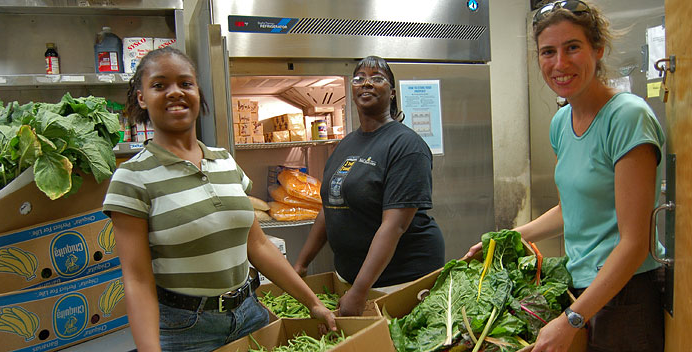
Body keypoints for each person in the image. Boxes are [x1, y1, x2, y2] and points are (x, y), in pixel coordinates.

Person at [102, 47, 336, 352]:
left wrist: (312, 302)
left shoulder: (225, 162)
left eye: (185, 84)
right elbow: (137, 280)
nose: (175, 92)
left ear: (198, 92)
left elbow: (258, 245)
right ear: (142, 97)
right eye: (160, 85)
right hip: (186, 329)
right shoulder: (132, 177)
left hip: (250, 315)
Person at [465, 1, 665, 351]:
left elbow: (635, 244)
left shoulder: (627, 118)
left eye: (572, 47)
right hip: (581, 288)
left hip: (626, 293)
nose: (560, 63)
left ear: (598, 49)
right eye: (548, 51)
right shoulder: (561, 123)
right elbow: (572, 208)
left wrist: (574, 317)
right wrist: (508, 238)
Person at [293, 55, 445, 316]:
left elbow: (394, 225)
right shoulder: (346, 145)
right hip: (353, 279)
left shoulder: (406, 146)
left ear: (392, 92)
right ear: (351, 90)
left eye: (377, 79)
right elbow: (329, 207)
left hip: (400, 280)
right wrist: (301, 266)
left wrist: (359, 291)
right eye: (359, 79)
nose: (366, 84)